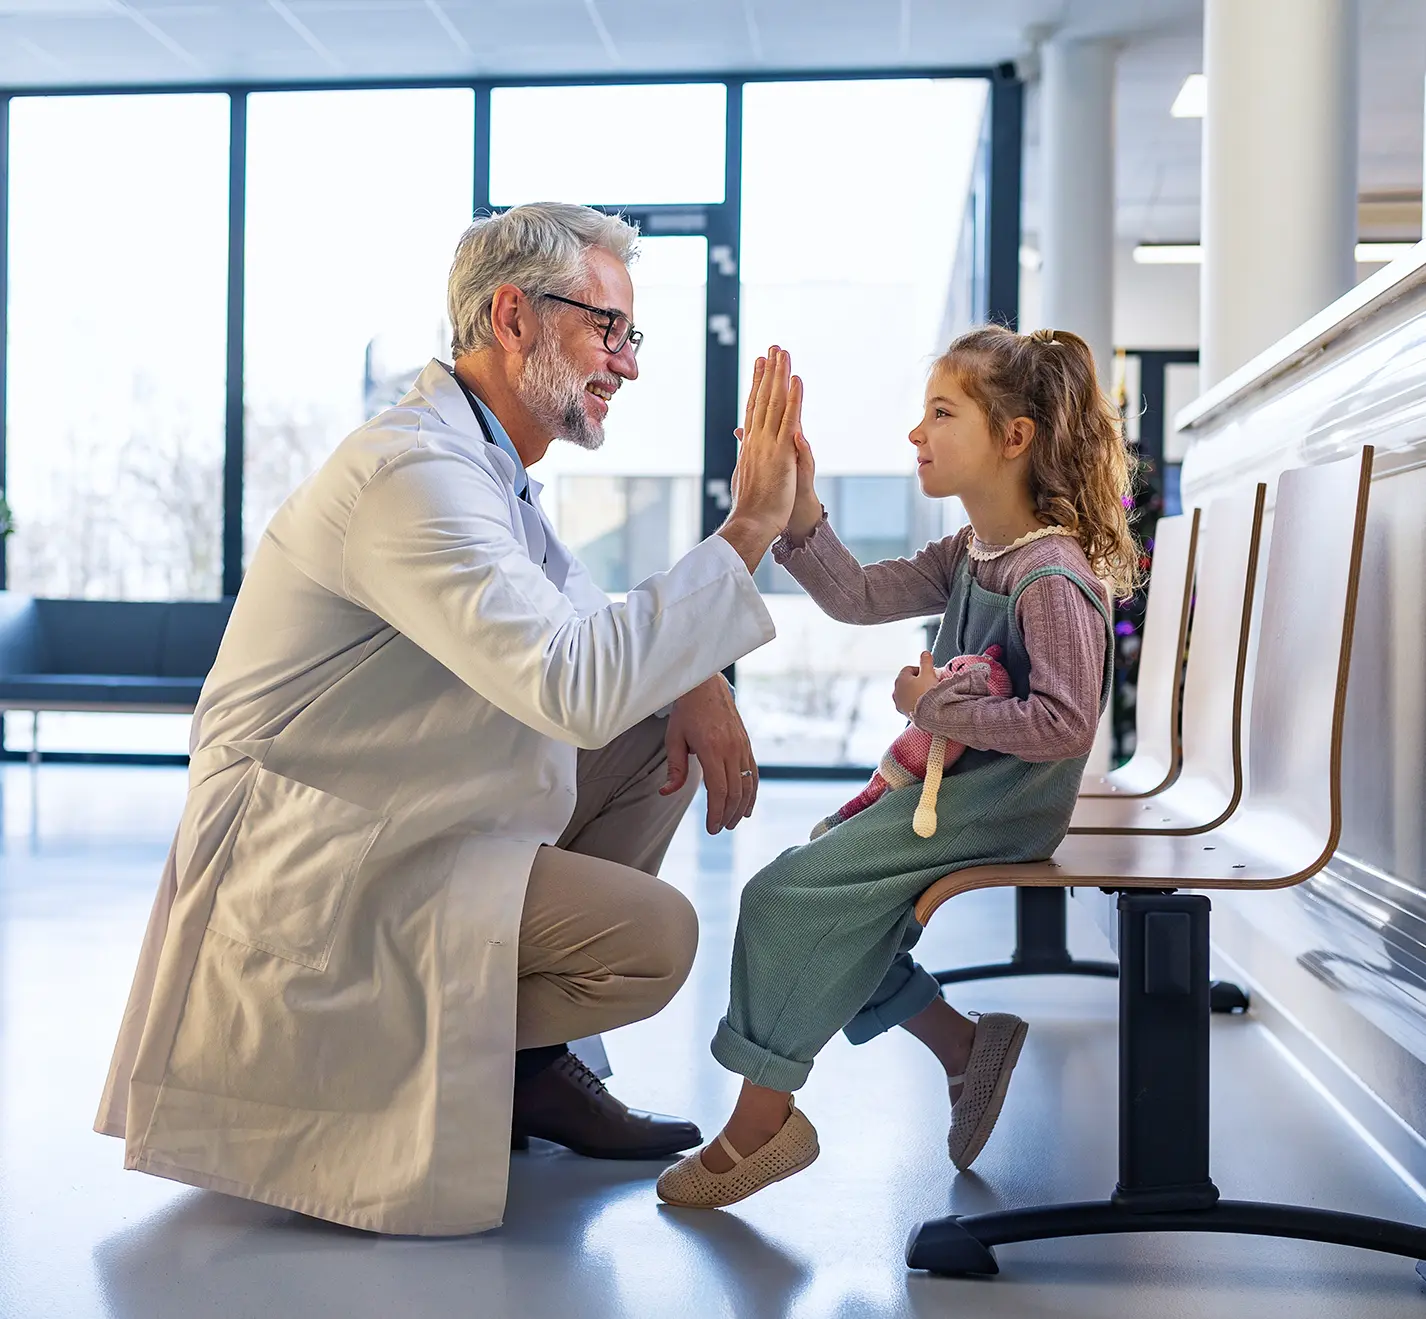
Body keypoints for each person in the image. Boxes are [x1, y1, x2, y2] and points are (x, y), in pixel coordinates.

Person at [94, 202, 806, 1236]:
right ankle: (444, 1055)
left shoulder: (489, 471)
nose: (629, 365)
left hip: (398, 814)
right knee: (654, 942)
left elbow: (580, 633)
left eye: (630, 336)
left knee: (658, 729)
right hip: (314, 859)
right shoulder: (412, 475)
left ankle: (519, 1071)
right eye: (607, 329)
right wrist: (745, 531)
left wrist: (690, 676)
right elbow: (571, 682)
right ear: (512, 315)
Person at [657, 325, 1138, 1209]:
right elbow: (859, 597)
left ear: (1014, 437)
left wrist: (931, 706)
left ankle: (763, 1120)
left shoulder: (1051, 573)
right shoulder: (973, 553)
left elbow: (1066, 726)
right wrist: (801, 506)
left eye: (941, 414)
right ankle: (964, 1047)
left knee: (784, 896)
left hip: (1006, 801)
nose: (917, 436)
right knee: (834, 882)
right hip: (964, 787)